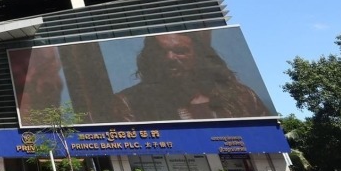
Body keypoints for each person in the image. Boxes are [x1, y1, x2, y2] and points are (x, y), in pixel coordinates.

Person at [113, 31, 272, 122]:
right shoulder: (128, 103)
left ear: (199, 56)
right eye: (160, 52)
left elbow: (269, 138)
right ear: (149, 57)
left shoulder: (243, 97)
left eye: (180, 51)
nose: (170, 58)